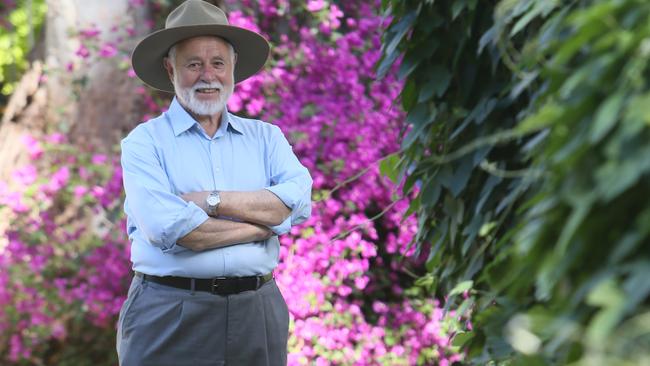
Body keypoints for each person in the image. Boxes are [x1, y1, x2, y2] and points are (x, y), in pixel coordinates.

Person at [116, 1, 312, 365]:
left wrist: (210, 200)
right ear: (170, 69)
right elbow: (172, 228)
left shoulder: (266, 138)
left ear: (233, 67)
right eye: (193, 64)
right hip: (169, 312)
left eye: (218, 62)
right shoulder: (144, 143)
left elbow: (298, 201)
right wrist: (264, 225)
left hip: (258, 311)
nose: (208, 75)